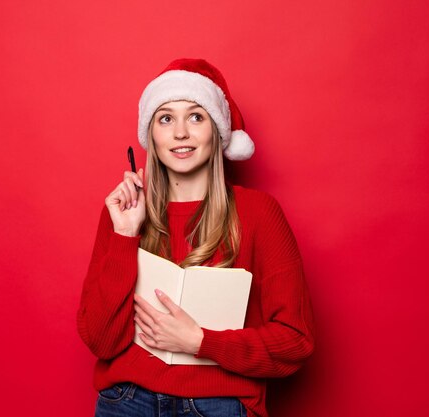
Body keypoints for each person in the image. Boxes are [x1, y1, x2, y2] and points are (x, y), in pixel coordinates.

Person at [77, 58, 315, 417]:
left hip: (217, 404)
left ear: (217, 132)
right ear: (151, 134)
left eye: (196, 116)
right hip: (126, 401)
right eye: (166, 118)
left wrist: (201, 341)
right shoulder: (123, 212)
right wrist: (126, 234)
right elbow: (100, 340)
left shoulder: (259, 213)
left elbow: (295, 341)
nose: (180, 133)